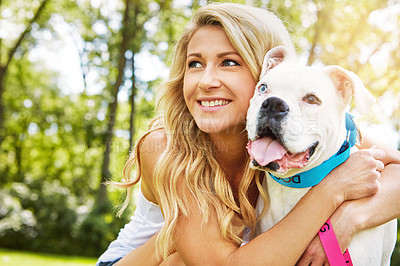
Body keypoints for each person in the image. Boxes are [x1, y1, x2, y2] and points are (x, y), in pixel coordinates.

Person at [97, 3, 400, 265]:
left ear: (265, 72)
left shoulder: (306, 130)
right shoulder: (167, 147)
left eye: (229, 62)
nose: (206, 80)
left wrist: (349, 219)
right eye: (195, 64)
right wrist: (334, 188)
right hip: (134, 262)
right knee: (185, 258)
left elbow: (395, 168)